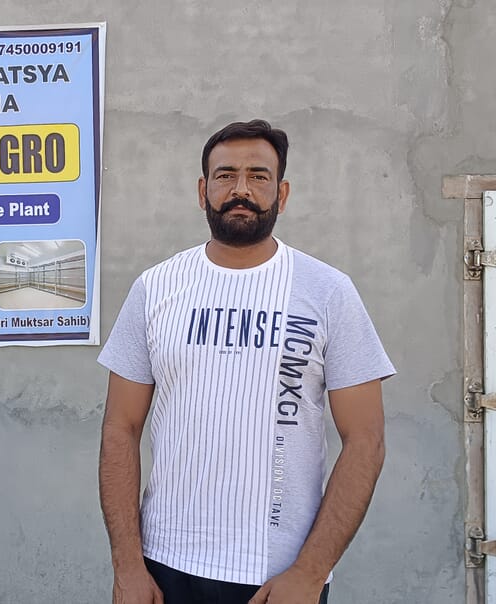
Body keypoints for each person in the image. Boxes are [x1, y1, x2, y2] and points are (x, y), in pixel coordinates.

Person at [97, 120, 395, 604]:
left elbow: (366, 441)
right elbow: (120, 429)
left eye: (258, 176)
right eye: (225, 175)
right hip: (165, 569)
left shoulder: (328, 292)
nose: (241, 189)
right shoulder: (154, 289)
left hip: (280, 578)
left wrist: (310, 572)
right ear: (202, 190)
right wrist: (128, 566)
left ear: (282, 192)